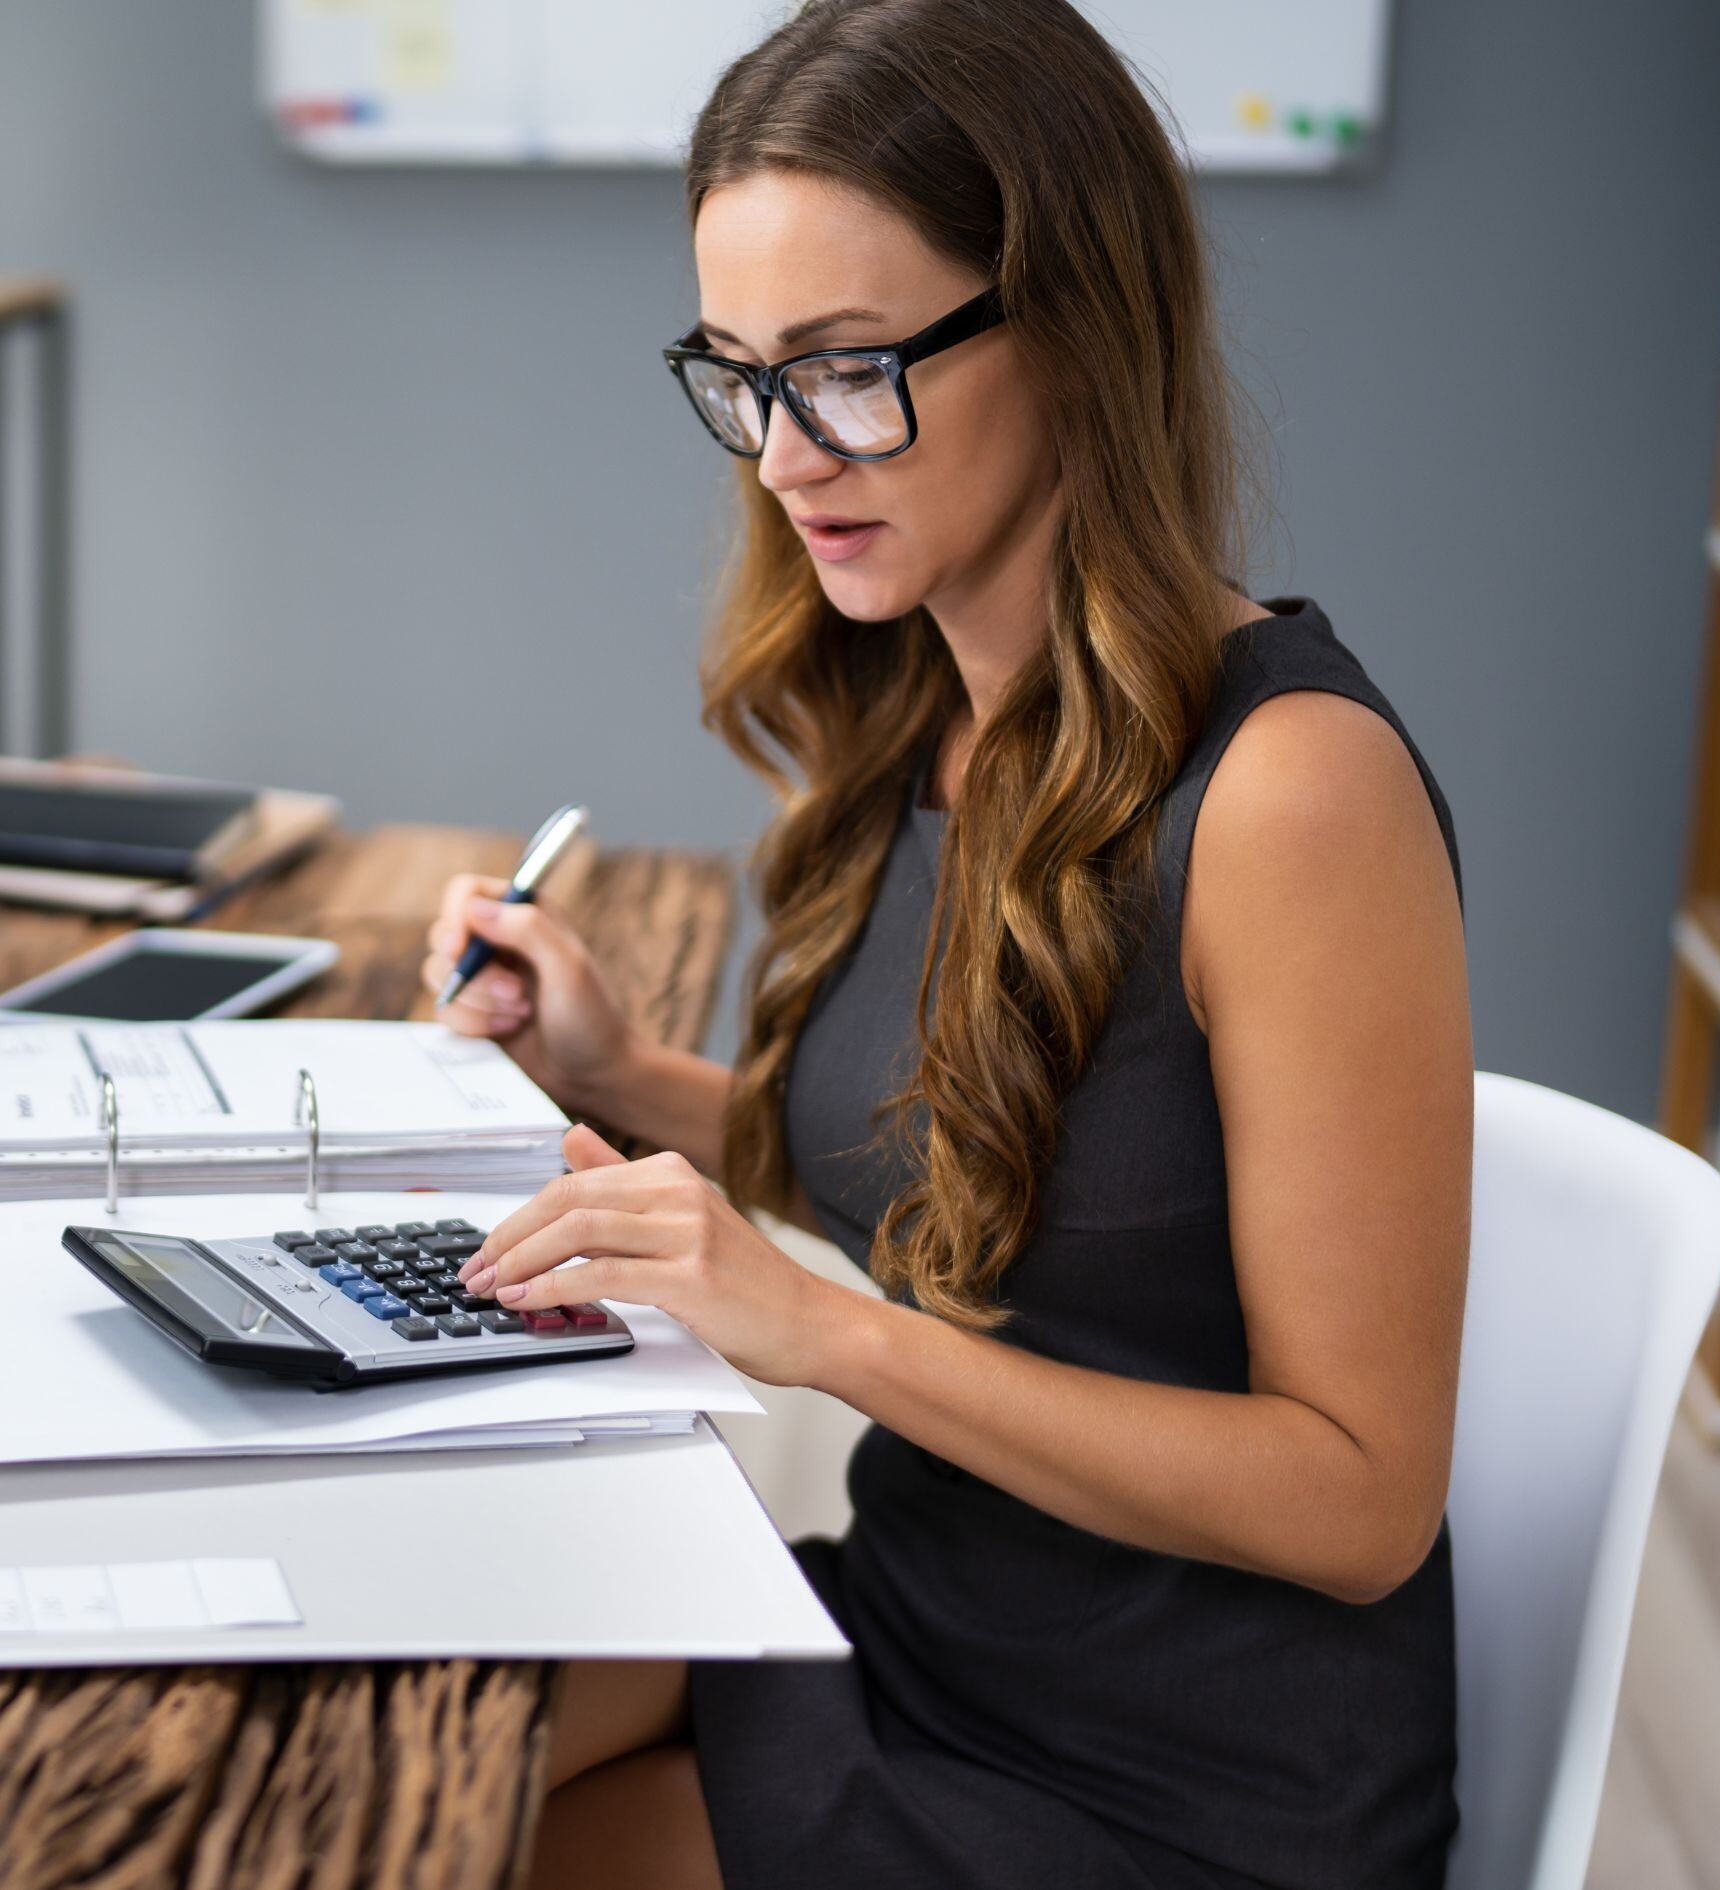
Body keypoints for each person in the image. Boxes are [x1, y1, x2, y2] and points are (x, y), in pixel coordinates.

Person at [423, 2, 1470, 1885]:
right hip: (924, 1620)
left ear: (1071, 327)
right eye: (741, 376)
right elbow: (990, 1187)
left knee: (454, 1834)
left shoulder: (1292, 793)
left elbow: (1360, 1498)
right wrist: (620, 1075)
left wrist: (828, 1333)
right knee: (374, 1753)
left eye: (845, 370)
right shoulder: (939, 712)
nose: (782, 457)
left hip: (1180, 1788)